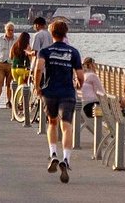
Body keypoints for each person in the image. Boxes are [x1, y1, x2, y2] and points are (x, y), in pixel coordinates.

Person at [35, 19, 84, 184]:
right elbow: (80, 75)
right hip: (67, 93)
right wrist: (79, 85)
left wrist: (37, 86)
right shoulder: (73, 52)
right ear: (66, 33)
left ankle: (53, 153)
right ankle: (66, 159)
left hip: (50, 92)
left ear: (52, 33)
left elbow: (39, 68)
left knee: (52, 123)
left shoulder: (45, 51)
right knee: (66, 125)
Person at [0, 22, 16, 108]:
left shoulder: (16, 40)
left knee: (10, 84)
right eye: (9, 30)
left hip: (11, 64)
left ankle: (9, 101)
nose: (10, 32)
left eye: (12, 30)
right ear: (5, 30)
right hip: (0, 64)